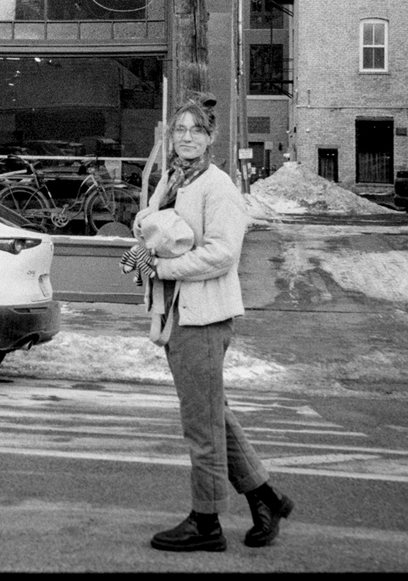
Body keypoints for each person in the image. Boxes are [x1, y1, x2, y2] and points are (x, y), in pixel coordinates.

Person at [119, 93, 295, 552]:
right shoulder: (173, 179)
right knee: (212, 413)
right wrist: (145, 239)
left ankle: (207, 521)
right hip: (178, 313)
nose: (188, 137)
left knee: (201, 425)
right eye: (181, 130)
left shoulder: (219, 188)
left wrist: (161, 267)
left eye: (197, 130)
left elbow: (222, 255)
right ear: (171, 137)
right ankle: (265, 497)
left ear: (211, 136)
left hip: (204, 316)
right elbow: (150, 225)